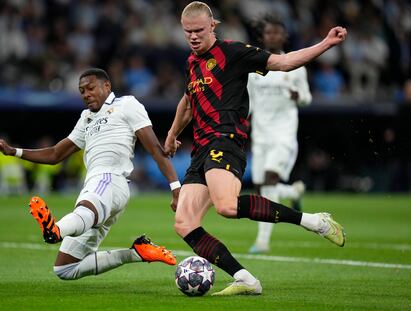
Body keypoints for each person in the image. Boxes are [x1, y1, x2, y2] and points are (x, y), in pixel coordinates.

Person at [164, 1, 347, 296]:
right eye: (188, 32)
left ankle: (314, 222)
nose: (193, 37)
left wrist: (326, 43)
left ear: (213, 25)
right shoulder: (191, 63)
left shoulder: (234, 53)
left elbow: (284, 63)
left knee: (226, 206)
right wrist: (173, 133)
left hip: (225, 140)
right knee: (184, 223)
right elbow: (188, 101)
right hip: (200, 148)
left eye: (198, 30)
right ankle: (245, 278)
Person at [0, 68, 180, 280]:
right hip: (99, 189)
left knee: (81, 213)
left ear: (107, 86)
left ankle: (56, 230)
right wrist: (16, 152)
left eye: (90, 88)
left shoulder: (127, 104)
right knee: (65, 269)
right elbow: (56, 153)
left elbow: (154, 149)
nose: (86, 94)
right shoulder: (86, 117)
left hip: (109, 178)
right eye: (81, 91)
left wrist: (176, 188)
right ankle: (138, 252)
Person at [247, 17, 312, 254]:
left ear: (284, 37)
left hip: (283, 135)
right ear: (262, 37)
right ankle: (293, 192)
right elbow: (250, 102)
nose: (273, 36)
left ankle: (263, 241)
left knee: (269, 180)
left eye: (277, 32)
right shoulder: (254, 68)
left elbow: (307, 97)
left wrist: (299, 96)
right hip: (261, 136)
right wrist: (244, 121)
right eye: (269, 32)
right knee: (260, 190)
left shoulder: (296, 66)